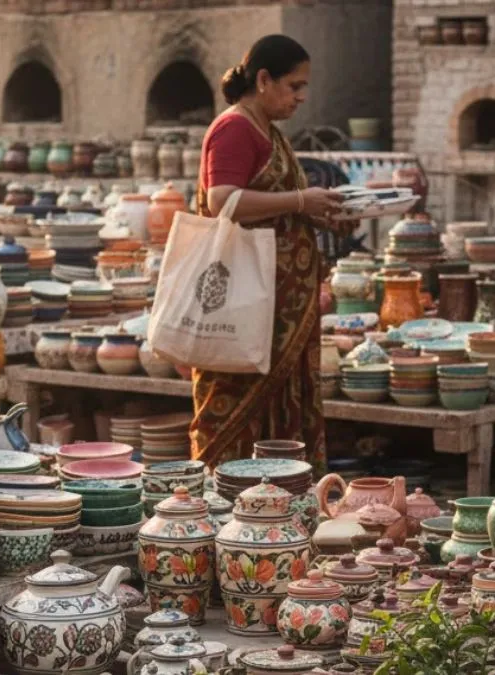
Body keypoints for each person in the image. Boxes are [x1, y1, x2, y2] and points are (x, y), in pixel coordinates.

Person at [188, 35, 346, 470]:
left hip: (280, 311)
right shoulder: (235, 127)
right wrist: (299, 202)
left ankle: (278, 522)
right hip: (243, 307)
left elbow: (271, 206)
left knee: (281, 425)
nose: (302, 97)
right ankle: (229, 519)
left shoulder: (268, 132)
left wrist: (320, 212)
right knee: (232, 419)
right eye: (294, 86)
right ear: (263, 80)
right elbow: (223, 199)